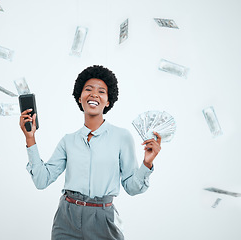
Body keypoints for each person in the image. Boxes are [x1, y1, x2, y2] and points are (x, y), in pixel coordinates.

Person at [19, 65, 161, 240]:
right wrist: (30, 138)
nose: (94, 94)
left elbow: (132, 188)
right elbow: (41, 180)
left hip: (103, 219)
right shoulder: (68, 141)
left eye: (101, 91)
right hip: (66, 219)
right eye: (88, 89)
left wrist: (147, 163)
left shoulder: (122, 137)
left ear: (108, 101)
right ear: (80, 98)